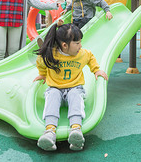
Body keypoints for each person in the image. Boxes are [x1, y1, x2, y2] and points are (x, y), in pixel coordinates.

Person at [33, 19, 108, 151]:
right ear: (64, 45)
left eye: (80, 42)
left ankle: (76, 130)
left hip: (74, 87)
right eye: (77, 43)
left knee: (76, 95)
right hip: (56, 87)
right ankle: (50, 132)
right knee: (52, 96)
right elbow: (41, 61)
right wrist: (43, 74)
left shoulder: (82, 54)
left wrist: (96, 70)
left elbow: (90, 57)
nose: (80, 46)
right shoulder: (53, 55)